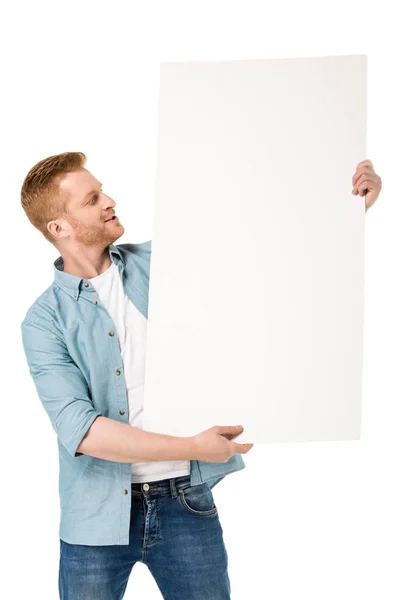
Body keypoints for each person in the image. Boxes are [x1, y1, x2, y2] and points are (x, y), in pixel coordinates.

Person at [20, 152, 382, 600]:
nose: (110, 200)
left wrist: (349, 206)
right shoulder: (43, 321)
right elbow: (83, 431)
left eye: (103, 190)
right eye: (93, 199)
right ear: (59, 228)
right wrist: (194, 447)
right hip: (94, 521)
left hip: (185, 503)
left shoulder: (162, 264)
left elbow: (263, 247)